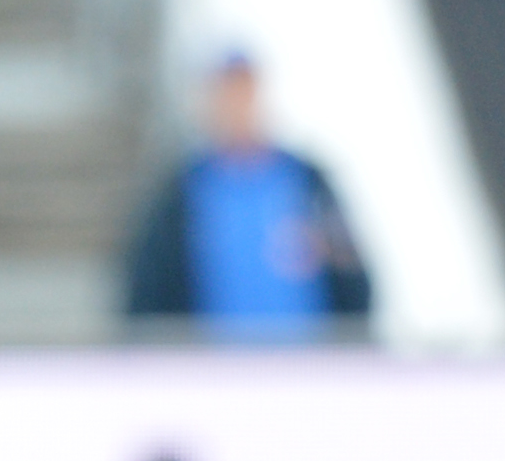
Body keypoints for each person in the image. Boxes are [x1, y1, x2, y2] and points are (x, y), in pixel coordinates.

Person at [121, 51, 371, 339]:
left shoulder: (307, 182)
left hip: (307, 367)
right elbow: (147, 291)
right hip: (213, 373)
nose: (237, 106)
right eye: (227, 94)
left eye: (245, 92)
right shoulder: (180, 194)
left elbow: (353, 273)